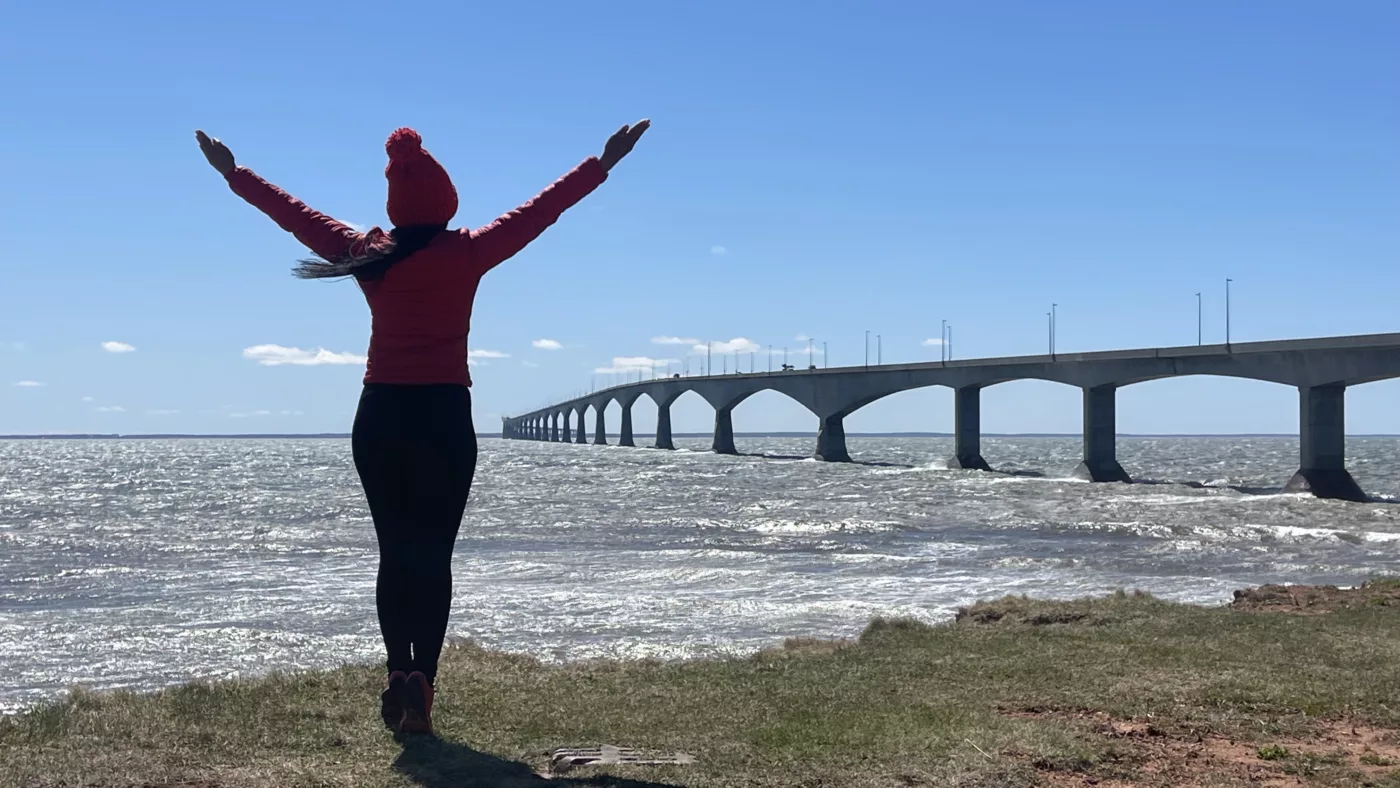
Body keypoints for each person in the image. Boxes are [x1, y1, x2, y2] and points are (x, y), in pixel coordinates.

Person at [195, 120, 649, 734]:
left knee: (394, 552)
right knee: (433, 557)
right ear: (447, 200)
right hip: (442, 415)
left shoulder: (368, 253)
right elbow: (541, 211)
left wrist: (233, 172)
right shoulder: (467, 250)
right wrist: (603, 162)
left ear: (395, 206)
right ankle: (423, 682)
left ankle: (396, 668)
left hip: (380, 413)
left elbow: (295, 214)